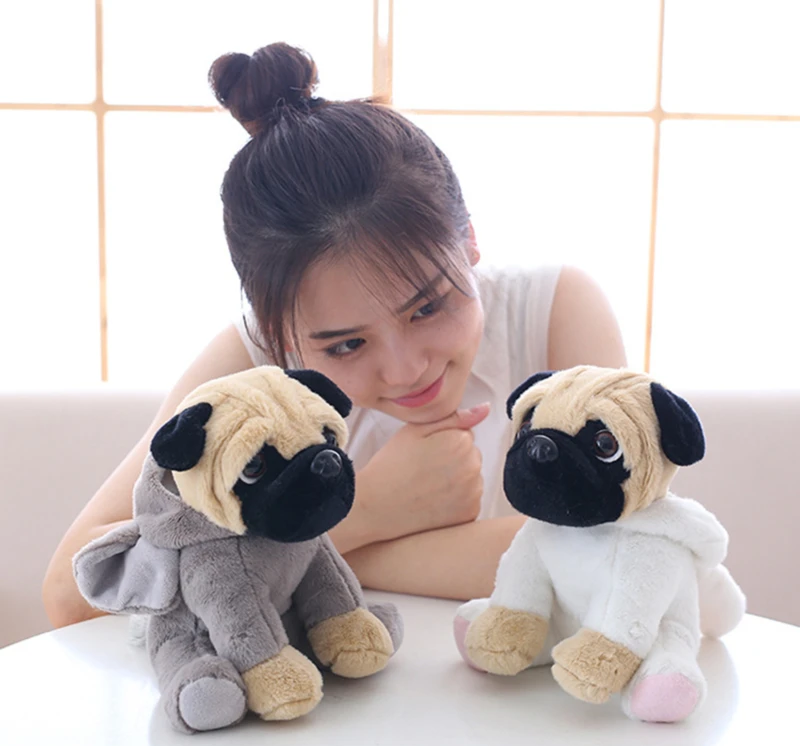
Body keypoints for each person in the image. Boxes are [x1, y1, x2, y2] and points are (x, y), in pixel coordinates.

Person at [42, 42, 626, 629]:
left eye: (427, 308)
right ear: (276, 326)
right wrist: (365, 509)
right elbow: (72, 591)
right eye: (346, 344)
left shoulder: (554, 311)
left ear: (469, 240)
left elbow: (621, 547)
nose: (405, 370)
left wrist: (319, 549)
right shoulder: (253, 358)